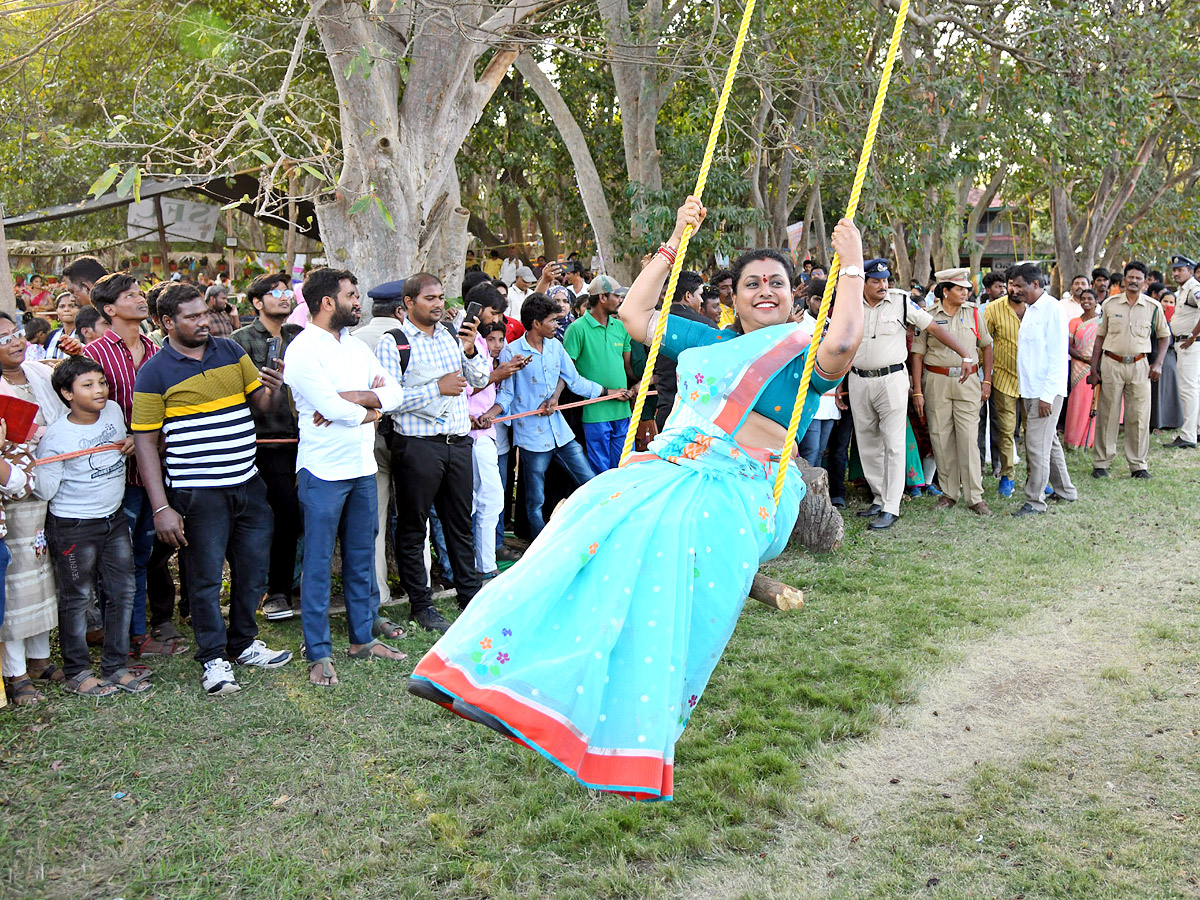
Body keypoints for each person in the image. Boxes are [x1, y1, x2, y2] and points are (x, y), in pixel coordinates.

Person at [408, 196, 865, 801]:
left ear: (793, 295)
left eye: (776, 283)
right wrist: (675, 239)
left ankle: (622, 730)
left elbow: (846, 342)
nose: (764, 290)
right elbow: (633, 311)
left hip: (745, 489)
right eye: (751, 282)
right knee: (582, 514)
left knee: (671, 545)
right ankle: (493, 676)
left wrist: (852, 265)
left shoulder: (803, 349)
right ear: (732, 296)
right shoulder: (707, 342)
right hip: (674, 469)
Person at [132, 283, 293, 696]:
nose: (203, 321)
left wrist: (272, 388)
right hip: (197, 493)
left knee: (253, 570)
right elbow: (147, 444)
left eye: (204, 313)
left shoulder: (230, 351)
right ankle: (213, 658)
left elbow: (261, 406)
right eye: (192, 316)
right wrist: (161, 508)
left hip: (247, 483)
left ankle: (242, 643)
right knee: (203, 579)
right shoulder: (154, 372)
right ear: (166, 322)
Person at [283, 267, 408, 686]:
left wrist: (360, 401)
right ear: (326, 302)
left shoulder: (355, 347)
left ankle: (362, 637)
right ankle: (318, 652)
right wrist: (369, 408)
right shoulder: (303, 351)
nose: (358, 302)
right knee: (318, 563)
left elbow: (396, 393)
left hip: (361, 467)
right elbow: (329, 409)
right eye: (352, 295)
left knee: (360, 556)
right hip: (322, 470)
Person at [376, 273, 490, 634]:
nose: (438, 304)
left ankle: (469, 596)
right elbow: (387, 401)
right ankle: (421, 605)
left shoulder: (452, 337)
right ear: (408, 303)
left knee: (460, 523)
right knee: (413, 527)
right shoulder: (393, 343)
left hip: (457, 444)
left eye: (441, 297)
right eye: (429, 298)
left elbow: (479, 380)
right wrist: (436, 389)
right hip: (417, 446)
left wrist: (471, 352)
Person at [36, 356, 151, 697]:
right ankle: (76, 671)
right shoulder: (57, 437)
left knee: (122, 591)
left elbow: (123, 442)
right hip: (73, 525)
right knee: (78, 598)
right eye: (87, 385)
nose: (99, 390)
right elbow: (44, 490)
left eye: (101, 382)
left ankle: (116, 666)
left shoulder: (115, 411)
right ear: (66, 394)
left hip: (113, 519)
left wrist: (129, 441)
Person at [85, 273, 186, 656]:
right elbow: (82, 411)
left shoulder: (156, 348)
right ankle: (119, 637)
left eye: (140, 293)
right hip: (115, 471)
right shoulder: (94, 354)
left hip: (155, 469)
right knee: (116, 559)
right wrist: (123, 435)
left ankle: (138, 636)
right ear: (110, 309)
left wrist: (151, 439)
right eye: (130, 296)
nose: (140, 299)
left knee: (143, 554)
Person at [851, 259, 973, 530]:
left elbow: (934, 328)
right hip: (858, 379)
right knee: (868, 442)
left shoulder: (901, 301)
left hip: (891, 379)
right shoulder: (850, 304)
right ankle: (879, 497)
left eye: (885, 280)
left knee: (894, 443)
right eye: (876, 281)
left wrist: (964, 353)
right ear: (864, 283)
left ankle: (891, 507)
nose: (883, 285)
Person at [488, 293, 608, 539]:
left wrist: (608, 392)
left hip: (560, 432)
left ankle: (600, 531)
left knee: (590, 481)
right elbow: (507, 394)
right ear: (536, 324)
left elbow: (574, 381)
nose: (557, 325)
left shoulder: (555, 346)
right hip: (531, 436)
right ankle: (539, 546)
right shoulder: (511, 351)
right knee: (535, 500)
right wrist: (491, 414)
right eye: (553, 321)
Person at [231, 273, 304, 622]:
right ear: (257, 302)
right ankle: (263, 590)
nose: (284, 296)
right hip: (260, 443)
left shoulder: (301, 337)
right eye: (275, 292)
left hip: (301, 439)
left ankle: (280, 589)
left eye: (286, 290)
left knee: (292, 516)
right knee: (260, 518)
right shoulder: (239, 341)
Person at [911, 268, 994, 516]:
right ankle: (949, 493)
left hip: (967, 381)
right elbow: (918, 354)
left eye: (967, 289)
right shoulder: (927, 316)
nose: (966, 293)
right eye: (960, 289)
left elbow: (987, 347)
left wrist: (987, 381)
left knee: (969, 438)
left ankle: (974, 496)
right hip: (936, 380)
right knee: (940, 436)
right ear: (945, 291)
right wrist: (917, 390)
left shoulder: (974, 314)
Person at [349, 279, 408, 619]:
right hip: (408, 437)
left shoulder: (353, 342)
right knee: (416, 517)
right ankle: (422, 581)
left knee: (374, 519)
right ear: (402, 309)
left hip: (368, 440)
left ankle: (379, 590)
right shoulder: (409, 339)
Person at [1088, 260, 1169, 479]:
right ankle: (1101, 463)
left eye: (1138, 278)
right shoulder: (1110, 305)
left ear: (1145, 282)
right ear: (1124, 280)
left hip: (1140, 365)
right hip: (1111, 363)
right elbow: (1099, 338)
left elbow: (1164, 336)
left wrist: (1158, 363)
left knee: (1139, 416)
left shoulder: (1154, 307)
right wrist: (1094, 369)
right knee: (1108, 414)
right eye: (1130, 277)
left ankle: (1138, 465)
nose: (1134, 281)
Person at [1008, 264, 1077, 515]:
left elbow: (1058, 356)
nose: (1015, 290)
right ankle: (1066, 490)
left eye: (1019, 285)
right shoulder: (1031, 310)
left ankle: (1035, 501)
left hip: (1045, 392)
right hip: (1030, 389)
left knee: (1036, 444)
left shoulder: (1053, 309)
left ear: (1035, 284)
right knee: (1049, 442)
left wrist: (1047, 396)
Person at [466, 322, 526, 579]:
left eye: (501, 339)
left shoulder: (494, 362)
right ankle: (480, 565)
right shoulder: (471, 353)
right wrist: (496, 375)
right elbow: (464, 390)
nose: (497, 345)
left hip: (486, 435)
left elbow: (499, 398)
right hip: (470, 436)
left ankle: (485, 563)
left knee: (491, 499)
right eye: (491, 339)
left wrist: (488, 414)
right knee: (480, 500)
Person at [563, 275, 635, 473]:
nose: (620, 300)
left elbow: (627, 369)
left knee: (625, 468)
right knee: (600, 472)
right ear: (602, 298)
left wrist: (637, 387)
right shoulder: (576, 329)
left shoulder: (621, 327)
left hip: (622, 410)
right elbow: (567, 373)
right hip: (594, 413)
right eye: (616, 296)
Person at [653, 271, 713, 430]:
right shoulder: (706, 327)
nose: (701, 300)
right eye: (699, 295)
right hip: (699, 414)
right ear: (688, 295)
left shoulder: (654, 325)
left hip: (666, 412)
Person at [981, 270, 1023, 495]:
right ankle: (1007, 475)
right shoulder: (993, 309)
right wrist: (985, 378)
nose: (1015, 289)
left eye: (1020, 285)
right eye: (1011, 284)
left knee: (1034, 431)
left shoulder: (1039, 309)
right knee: (1006, 430)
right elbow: (983, 344)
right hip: (1004, 377)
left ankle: (1039, 476)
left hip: (1034, 381)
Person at [1167, 254, 1200, 448]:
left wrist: (1193, 335)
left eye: (1180, 270)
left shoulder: (1194, 288)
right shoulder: (1184, 290)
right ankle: (1195, 430)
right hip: (1187, 344)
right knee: (1194, 388)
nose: (1176, 273)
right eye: (1175, 270)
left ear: (1190, 270)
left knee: (1188, 389)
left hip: (1190, 344)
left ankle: (1188, 435)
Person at [1064, 288, 1101, 449]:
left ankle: (1090, 440)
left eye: (1090, 299)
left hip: (1097, 366)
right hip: (1079, 367)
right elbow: (1068, 346)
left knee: (1094, 403)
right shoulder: (1074, 322)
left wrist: (1095, 363)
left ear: (1096, 301)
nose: (1086, 301)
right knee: (1078, 402)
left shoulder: (1102, 322)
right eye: (1083, 298)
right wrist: (1085, 358)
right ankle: (1073, 440)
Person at [45, 293, 80, 359]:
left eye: (72, 306)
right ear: (57, 311)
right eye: (62, 306)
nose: (66, 309)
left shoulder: (85, 334)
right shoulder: (52, 335)